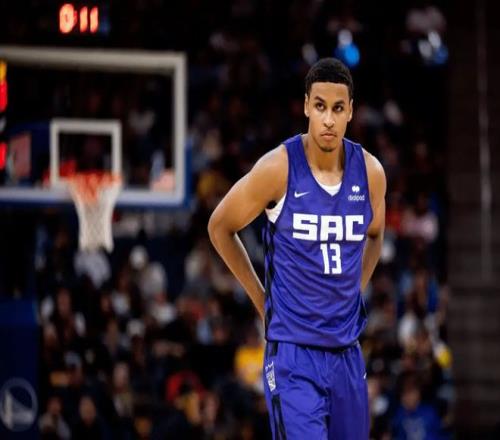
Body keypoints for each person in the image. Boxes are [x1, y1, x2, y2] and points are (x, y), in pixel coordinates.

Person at [208, 58, 386, 439]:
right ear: (306, 106)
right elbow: (220, 227)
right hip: (294, 355)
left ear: (350, 111)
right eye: (320, 106)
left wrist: (357, 287)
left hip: (347, 353)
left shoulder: (371, 174)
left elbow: (375, 234)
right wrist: (263, 302)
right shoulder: (278, 168)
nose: (328, 119)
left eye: (337, 108)